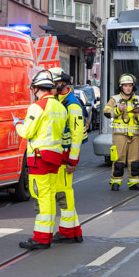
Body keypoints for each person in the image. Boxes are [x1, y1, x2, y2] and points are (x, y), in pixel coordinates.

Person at [14, 70, 66, 250]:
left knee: (41, 198)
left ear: (36, 88)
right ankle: (46, 235)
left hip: (39, 159)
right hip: (55, 158)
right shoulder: (60, 107)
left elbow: (27, 132)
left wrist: (17, 124)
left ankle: (41, 238)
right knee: (49, 197)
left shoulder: (37, 107)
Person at [53, 70, 86, 243]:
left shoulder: (72, 105)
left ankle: (67, 232)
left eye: (54, 83)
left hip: (65, 158)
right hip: (60, 157)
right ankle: (75, 230)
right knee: (64, 192)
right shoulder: (60, 101)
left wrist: (72, 161)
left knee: (64, 193)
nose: (51, 87)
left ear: (62, 84)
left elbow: (77, 136)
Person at [103, 73, 139, 191]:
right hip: (120, 135)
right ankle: (115, 182)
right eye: (125, 86)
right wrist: (118, 109)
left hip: (135, 135)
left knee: (134, 160)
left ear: (133, 87)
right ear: (121, 87)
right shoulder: (115, 99)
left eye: (130, 86)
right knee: (119, 159)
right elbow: (106, 113)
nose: (128, 88)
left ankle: (134, 182)